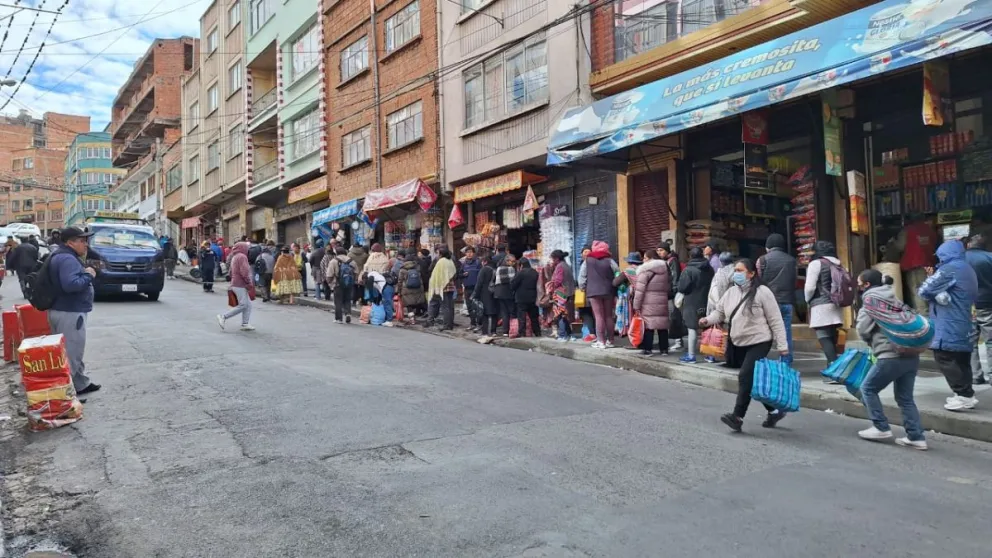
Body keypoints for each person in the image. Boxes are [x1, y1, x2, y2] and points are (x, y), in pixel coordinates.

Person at [701, 258, 790, 432]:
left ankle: (737, 416)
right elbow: (719, 312)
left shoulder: (763, 292)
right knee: (753, 379)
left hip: (759, 341)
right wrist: (707, 320)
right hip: (738, 342)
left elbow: (776, 320)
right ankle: (774, 411)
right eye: (735, 270)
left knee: (744, 376)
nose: (736, 274)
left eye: (740, 271)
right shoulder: (731, 292)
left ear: (751, 274)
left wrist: (782, 345)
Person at [855, 270, 926, 449]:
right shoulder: (895, 299)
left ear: (867, 285)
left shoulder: (870, 303)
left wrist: (872, 341)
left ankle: (880, 426)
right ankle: (916, 437)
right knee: (905, 398)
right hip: (911, 354)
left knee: (867, 388)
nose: (858, 287)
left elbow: (863, 330)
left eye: (859, 284)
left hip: (889, 355)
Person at [918, 240, 980, 411]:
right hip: (964, 320)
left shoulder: (949, 269)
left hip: (949, 321)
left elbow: (924, 290)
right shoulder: (967, 268)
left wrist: (936, 292)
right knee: (961, 358)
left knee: (944, 355)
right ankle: (966, 394)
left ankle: (963, 394)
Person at [46, 227, 100, 395]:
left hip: (61, 309)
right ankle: (65, 395)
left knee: (69, 350)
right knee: (72, 352)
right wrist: (89, 274)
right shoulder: (67, 259)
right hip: (70, 312)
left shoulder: (60, 255)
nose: (86, 244)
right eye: (82, 241)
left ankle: (80, 384)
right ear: (70, 242)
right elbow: (71, 285)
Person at [757, 233, 798, 365]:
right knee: (785, 332)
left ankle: (761, 358)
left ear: (768, 247)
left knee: (764, 331)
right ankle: (786, 361)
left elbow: (757, 281)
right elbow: (794, 281)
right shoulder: (792, 260)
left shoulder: (762, 260)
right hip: (787, 301)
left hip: (768, 302)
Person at [804, 240, 844, 370]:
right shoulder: (838, 264)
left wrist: (807, 300)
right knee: (831, 336)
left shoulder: (816, 264)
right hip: (836, 304)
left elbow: (810, 287)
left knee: (823, 336)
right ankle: (832, 368)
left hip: (820, 304)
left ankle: (835, 368)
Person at [894, 215, 937, 315]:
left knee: (917, 290)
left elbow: (900, 246)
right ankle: (932, 313)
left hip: (914, 265)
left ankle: (923, 315)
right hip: (929, 264)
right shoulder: (930, 230)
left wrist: (892, 243)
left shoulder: (907, 231)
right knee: (928, 288)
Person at [678, 247, 715, 363]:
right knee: (707, 327)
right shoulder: (710, 269)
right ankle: (710, 355)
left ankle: (691, 355)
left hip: (692, 302)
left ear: (691, 256)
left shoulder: (688, 270)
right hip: (707, 300)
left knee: (692, 328)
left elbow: (682, 287)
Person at [965, 233, 992, 384]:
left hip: (968, 306)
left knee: (971, 341)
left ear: (969, 244)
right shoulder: (990, 257)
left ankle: (975, 375)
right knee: (990, 341)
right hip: (988, 304)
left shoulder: (961, 259)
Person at [633, 249, 671, 356]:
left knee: (649, 325)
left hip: (648, 301)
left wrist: (636, 305)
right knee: (662, 325)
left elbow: (640, 289)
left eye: (645, 258)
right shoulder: (665, 268)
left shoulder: (646, 270)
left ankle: (648, 349)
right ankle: (664, 349)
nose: (643, 260)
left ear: (650, 258)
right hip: (662, 300)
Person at [217, 242, 255, 331]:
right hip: (240, 284)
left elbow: (230, 271)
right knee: (244, 304)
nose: (248, 250)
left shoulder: (235, 256)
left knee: (248, 305)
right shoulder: (242, 257)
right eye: (246, 248)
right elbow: (244, 271)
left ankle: (245, 323)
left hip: (236, 283)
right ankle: (223, 317)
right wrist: (249, 282)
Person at [658, 242, 684, 351]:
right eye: (658, 250)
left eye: (661, 250)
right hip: (669, 293)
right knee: (672, 316)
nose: (659, 252)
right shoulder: (667, 261)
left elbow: (675, 278)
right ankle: (677, 340)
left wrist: (673, 291)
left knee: (674, 316)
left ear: (667, 250)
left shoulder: (673, 261)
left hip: (672, 293)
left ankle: (678, 341)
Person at [548, 249, 577, 342]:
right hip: (569, 293)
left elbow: (557, 281)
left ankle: (562, 335)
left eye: (553, 259)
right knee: (566, 314)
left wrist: (550, 287)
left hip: (561, 294)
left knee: (559, 314)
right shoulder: (567, 266)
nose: (552, 261)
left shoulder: (559, 267)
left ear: (556, 259)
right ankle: (570, 334)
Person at [426, 248, 457, 330]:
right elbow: (453, 273)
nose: (437, 255)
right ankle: (450, 324)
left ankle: (446, 325)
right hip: (450, 285)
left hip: (443, 287)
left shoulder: (441, 262)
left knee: (445, 307)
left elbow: (437, 275)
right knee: (450, 306)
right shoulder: (450, 261)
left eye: (438, 253)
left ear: (441, 254)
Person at [324, 246, 356, 324]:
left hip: (338, 284)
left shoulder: (334, 261)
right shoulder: (352, 261)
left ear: (336, 253)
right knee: (347, 299)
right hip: (349, 284)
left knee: (338, 301)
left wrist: (329, 283)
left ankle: (339, 318)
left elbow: (330, 274)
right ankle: (348, 313)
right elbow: (356, 272)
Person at [510, 257, 541, 338]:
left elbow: (513, 285)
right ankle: (537, 332)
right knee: (534, 317)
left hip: (521, 298)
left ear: (521, 265)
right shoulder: (535, 272)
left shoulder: (520, 273)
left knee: (522, 317)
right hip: (533, 297)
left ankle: (522, 333)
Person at [613, 252, 641, 341]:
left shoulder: (628, 271)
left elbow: (615, 282)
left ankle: (631, 332)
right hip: (643, 294)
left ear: (629, 262)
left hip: (632, 296)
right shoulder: (643, 269)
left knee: (631, 314)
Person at [473, 254, 499, 336]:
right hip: (495, 292)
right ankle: (493, 331)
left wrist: (475, 294)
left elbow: (479, 283)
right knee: (494, 312)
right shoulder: (496, 269)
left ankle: (485, 331)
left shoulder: (484, 270)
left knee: (484, 312)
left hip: (485, 293)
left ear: (485, 262)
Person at [398, 250, 426, 321]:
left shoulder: (402, 269)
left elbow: (400, 281)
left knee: (409, 305)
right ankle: (417, 315)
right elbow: (421, 278)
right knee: (416, 303)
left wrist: (399, 291)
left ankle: (412, 319)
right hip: (418, 288)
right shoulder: (417, 267)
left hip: (407, 290)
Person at [493, 255, 517, 336]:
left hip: (499, 293)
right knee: (512, 311)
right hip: (508, 292)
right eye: (512, 261)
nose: (513, 263)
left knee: (504, 312)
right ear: (507, 261)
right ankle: (513, 329)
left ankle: (505, 331)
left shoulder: (499, 268)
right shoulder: (511, 269)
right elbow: (513, 281)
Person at [461, 247, 482, 330]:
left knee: (477, 306)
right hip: (467, 287)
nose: (469, 254)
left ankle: (479, 324)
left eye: (471, 252)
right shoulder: (463, 263)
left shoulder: (478, 262)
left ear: (474, 253)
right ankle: (472, 323)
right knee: (469, 306)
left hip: (476, 288)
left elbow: (481, 275)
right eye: (467, 252)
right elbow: (459, 274)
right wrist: (463, 275)